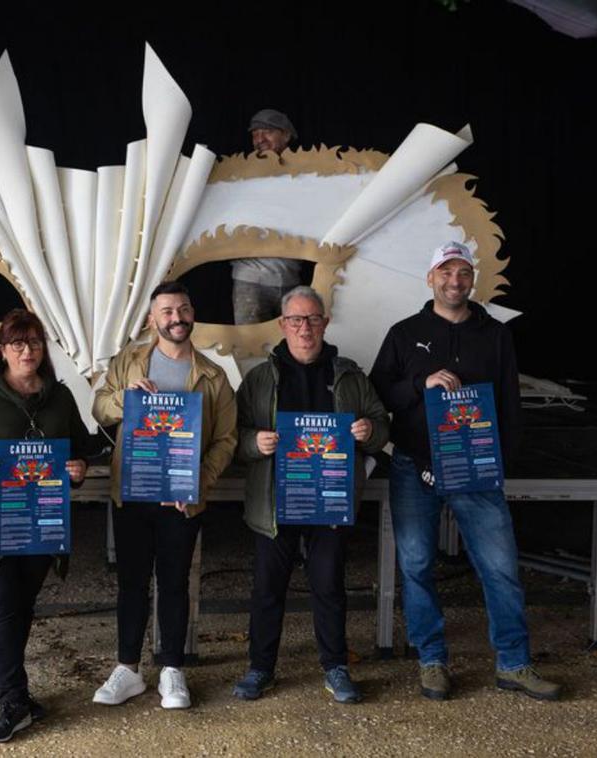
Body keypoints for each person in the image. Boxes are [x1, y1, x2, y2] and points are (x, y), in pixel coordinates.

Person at [369, 241, 562, 702]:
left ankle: (514, 664)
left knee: (500, 568)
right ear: (430, 277)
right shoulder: (403, 332)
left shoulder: (494, 335)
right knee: (416, 565)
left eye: (463, 273)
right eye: (446, 272)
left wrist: (501, 461)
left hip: (476, 471)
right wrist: (422, 382)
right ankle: (432, 661)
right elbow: (378, 394)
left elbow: (509, 403)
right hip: (415, 466)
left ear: (472, 280)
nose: (455, 281)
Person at [231, 286, 389, 703]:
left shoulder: (350, 376)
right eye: (296, 320)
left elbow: (380, 423)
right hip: (274, 506)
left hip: (330, 503)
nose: (305, 328)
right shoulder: (259, 378)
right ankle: (260, 668)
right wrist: (255, 443)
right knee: (267, 591)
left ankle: (335, 667)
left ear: (325, 323)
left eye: (313, 319)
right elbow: (232, 437)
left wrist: (370, 432)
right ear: (283, 326)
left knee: (329, 587)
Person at [0, 309, 92, 742]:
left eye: (34, 343)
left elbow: (81, 450)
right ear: (3, 350)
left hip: (41, 519)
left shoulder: (60, 398)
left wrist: (78, 468)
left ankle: (11, 693)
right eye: (17, 344)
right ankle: (12, 700)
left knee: (21, 607)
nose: (27, 351)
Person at [91, 280, 237, 710]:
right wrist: (124, 399)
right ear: (153, 320)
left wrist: (198, 483)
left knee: (174, 582)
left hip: (182, 498)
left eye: (184, 309)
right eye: (168, 311)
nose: (177, 318)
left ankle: (172, 669)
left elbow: (226, 440)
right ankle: (128, 670)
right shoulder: (128, 362)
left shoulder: (213, 375)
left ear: (193, 314)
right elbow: (98, 407)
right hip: (133, 491)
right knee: (131, 582)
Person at [231, 108, 304, 325]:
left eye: (267, 132)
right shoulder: (238, 176)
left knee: (292, 348)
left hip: (291, 278)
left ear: (287, 136)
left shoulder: (306, 176)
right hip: (249, 280)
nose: (259, 139)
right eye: (255, 134)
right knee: (249, 351)